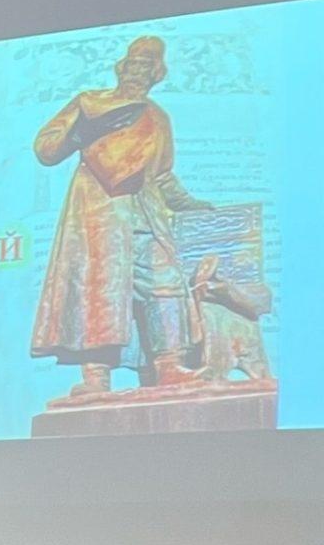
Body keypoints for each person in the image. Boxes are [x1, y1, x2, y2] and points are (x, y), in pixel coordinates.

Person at [30, 34, 212, 396]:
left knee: (165, 285)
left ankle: (170, 366)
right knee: (97, 291)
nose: (138, 72)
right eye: (133, 64)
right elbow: (46, 148)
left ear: (156, 74)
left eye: (147, 67)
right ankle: (95, 379)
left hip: (146, 215)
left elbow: (161, 175)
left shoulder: (158, 117)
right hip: (99, 217)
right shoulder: (90, 103)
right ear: (121, 67)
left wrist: (192, 204)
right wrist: (83, 132)